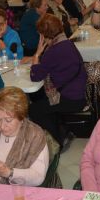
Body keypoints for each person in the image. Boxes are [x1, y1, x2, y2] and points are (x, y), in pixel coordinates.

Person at [27, 14, 87, 147]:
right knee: (42, 101)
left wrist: (37, 54)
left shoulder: (53, 51)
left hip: (71, 98)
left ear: (44, 34)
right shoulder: (66, 43)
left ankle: (57, 139)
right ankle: (62, 131)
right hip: (79, 92)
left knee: (34, 109)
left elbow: (35, 75)